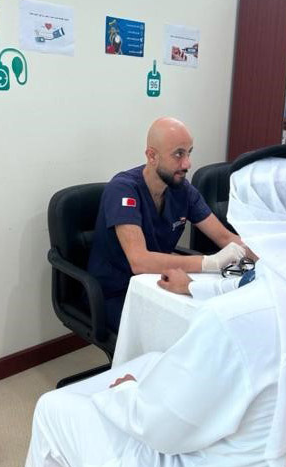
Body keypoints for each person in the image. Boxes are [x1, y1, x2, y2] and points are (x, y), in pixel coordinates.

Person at [23, 153, 286, 467]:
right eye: (179, 153)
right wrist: (198, 282)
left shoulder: (232, 321)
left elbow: (161, 429)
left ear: (250, 217)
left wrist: (126, 394)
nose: (187, 162)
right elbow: (262, 282)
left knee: (53, 408)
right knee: (152, 360)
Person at [87, 117, 246, 331]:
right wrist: (210, 262)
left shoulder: (182, 190)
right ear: (152, 156)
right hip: (117, 292)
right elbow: (139, 261)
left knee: (215, 319)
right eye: (178, 154)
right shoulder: (123, 189)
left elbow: (225, 238)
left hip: (158, 281)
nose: (187, 164)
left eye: (189, 152)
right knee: (186, 329)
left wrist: (269, 259)